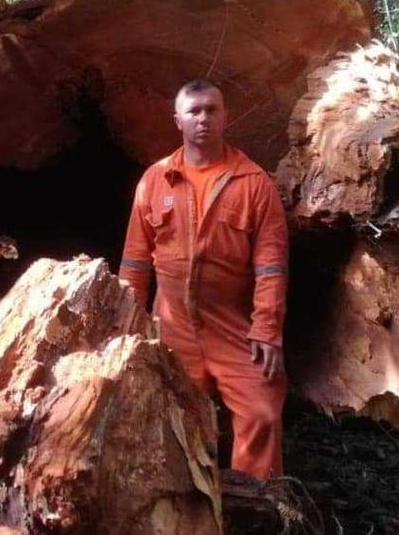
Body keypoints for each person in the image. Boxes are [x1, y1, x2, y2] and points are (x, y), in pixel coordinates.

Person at [118, 78, 289, 479]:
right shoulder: (156, 179)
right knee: (163, 416)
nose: (204, 119)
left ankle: (255, 508)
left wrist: (267, 329)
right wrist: (126, 324)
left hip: (232, 327)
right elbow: (136, 261)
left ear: (225, 116)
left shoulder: (254, 184)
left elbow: (272, 267)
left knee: (262, 413)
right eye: (194, 111)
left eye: (212, 110)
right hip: (171, 326)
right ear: (177, 120)